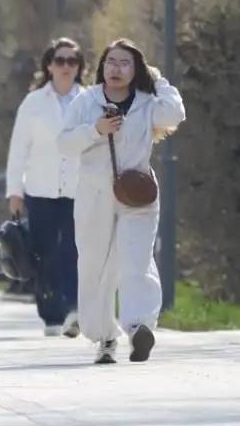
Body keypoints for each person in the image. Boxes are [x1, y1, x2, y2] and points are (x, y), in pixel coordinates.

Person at [58, 39, 185, 364]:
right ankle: (104, 337)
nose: (116, 68)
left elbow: (176, 112)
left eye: (125, 63)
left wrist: (157, 80)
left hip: (137, 193)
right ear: (102, 67)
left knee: (136, 260)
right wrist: (95, 131)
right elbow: (64, 143)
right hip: (94, 196)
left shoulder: (147, 102)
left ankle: (139, 325)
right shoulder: (86, 102)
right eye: (111, 61)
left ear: (136, 69)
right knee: (94, 266)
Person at [5, 37, 86, 338]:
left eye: (72, 61)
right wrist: (14, 191)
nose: (66, 67)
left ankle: (74, 310)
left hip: (79, 189)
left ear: (79, 67)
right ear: (50, 66)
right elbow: (18, 149)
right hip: (40, 189)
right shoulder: (34, 102)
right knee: (45, 253)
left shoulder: (89, 100)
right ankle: (51, 315)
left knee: (73, 250)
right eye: (61, 61)